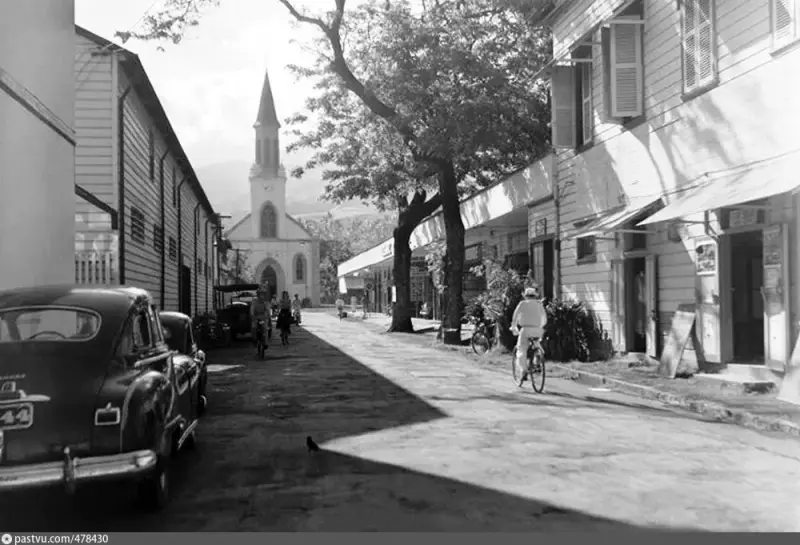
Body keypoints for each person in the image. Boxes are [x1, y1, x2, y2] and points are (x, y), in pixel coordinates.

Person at [511, 285, 547, 381]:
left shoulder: (522, 304)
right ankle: (538, 357)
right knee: (537, 344)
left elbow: (515, 316)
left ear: (525, 296)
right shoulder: (539, 304)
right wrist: (540, 326)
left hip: (525, 330)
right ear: (535, 296)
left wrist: (514, 327)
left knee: (521, 349)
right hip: (538, 330)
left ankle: (523, 371)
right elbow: (544, 318)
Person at [250, 285, 271, 352]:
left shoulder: (266, 302)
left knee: (265, 329)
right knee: (253, 327)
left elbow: (268, 311)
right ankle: (254, 340)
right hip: (255, 317)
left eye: (263, 294)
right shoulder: (254, 301)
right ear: (258, 294)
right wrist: (252, 315)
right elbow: (252, 310)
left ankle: (265, 344)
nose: (262, 296)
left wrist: (269, 317)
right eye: (260, 294)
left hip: (263, 318)